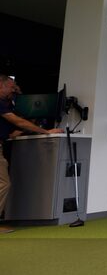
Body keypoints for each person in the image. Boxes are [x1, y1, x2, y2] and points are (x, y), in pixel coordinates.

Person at [0, 75, 63, 233]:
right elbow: (19, 122)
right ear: (0, 85)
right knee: (3, 184)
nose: (13, 89)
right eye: (11, 87)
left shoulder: (7, 104)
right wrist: (46, 132)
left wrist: (17, 96)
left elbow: (14, 131)